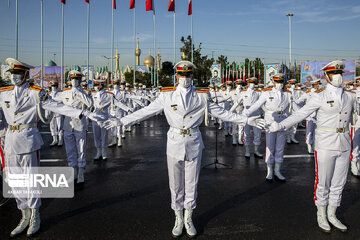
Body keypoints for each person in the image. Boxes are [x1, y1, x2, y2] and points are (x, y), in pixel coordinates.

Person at [103, 60, 265, 238]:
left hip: (194, 141)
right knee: (175, 183)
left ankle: (189, 217)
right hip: (174, 141)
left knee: (191, 183)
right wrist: (121, 121)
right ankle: (178, 217)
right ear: (176, 76)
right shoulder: (167, 96)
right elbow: (146, 111)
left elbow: (221, 112)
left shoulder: (201, 96)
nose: (184, 78)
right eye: (181, 74)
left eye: (188, 75)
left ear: (192, 76)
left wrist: (247, 120)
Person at [3, 58, 104, 237]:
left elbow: (57, 106)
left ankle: (35, 216)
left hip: (28, 140)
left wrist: (83, 112)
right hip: (10, 141)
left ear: (26, 75)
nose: (15, 77)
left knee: (30, 180)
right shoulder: (4, 93)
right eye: (13, 74)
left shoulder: (35, 92)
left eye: (18, 74)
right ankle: (24, 215)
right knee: (16, 182)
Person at [269, 60, 352, 233]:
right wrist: (281, 125)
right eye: (333, 73)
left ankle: (332, 213)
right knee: (323, 181)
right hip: (325, 143)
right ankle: (321, 214)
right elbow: (301, 113)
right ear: (327, 76)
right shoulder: (319, 95)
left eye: (339, 73)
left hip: (344, 142)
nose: (337, 76)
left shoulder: (350, 95)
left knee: (339, 182)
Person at [244, 73, 291, 182]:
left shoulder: (287, 94)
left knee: (280, 147)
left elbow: (292, 109)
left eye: (281, 82)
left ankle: (277, 170)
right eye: (277, 82)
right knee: (270, 147)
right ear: (273, 82)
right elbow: (257, 105)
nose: (279, 84)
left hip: (282, 120)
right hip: (270, 121)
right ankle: (269, 170)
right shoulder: (267, 93)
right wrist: (245, 114)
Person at [53, 70, 95, 184]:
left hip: (80, 124)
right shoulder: (65, 92)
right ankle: (73, 172)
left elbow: (90, 104)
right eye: (72, 79)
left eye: (77, 79)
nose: (74, 81)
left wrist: (79, 94)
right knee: (70, 150)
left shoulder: (85, 93)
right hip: (67, 125)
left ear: (81, 80)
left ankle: (81, 171)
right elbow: (54, 99)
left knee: (81, 149)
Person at [230, 77, 263, 157]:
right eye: (251, 83)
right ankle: (247, 151)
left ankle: (256, 151)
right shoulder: (243, 93)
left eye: (254, 83)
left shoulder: (258, 93)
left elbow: (262, 104)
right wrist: (230, 111)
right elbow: (237, 102)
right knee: (246, 134)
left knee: (257, 134)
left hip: (256, 115)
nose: (252, 84)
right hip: (246, 115)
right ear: (248, 84)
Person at [48, 81, 64, 147]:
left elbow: (62, 102)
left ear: (57, 87)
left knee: (60, 126)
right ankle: (54, 139)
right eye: (52, 86)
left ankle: (60, 139)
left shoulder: (60, 94)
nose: (53, 87)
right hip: (51, 112)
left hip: (58, 112)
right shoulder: (49, 94)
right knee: (52, 126)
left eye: (54, 86)